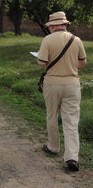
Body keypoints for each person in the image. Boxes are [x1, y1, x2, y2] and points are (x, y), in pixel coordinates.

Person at [37, 11, 87, 171]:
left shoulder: (47, 40)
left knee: (52, 115)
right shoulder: (76, 40)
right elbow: (83, 62)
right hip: (72, 83)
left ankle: (53, 147)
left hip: (52, 83)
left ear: (52, 26)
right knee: (71, 120)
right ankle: (72, 156)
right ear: (65, 24)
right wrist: (70, 68)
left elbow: (41, 62)